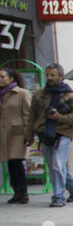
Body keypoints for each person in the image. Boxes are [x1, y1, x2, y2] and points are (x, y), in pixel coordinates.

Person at [28, 63, 73, 207]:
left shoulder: (71, 96)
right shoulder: (39, 95)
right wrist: (29, 134)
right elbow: (32, 116)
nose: (49, 78)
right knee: (54, 166)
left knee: (58, 165)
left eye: (53, 75)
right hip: (44, 134)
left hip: (63, 133)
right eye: (47, 75)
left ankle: (58, 197)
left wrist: (58, 117)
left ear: (61, 76)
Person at [1, 68, 32, 204]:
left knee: (16, 161)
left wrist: (28, 133)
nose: (0, 79)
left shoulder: (21, 93)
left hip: (17, 133)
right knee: (10, 164)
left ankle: (23, 192)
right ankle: (16, 192)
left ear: (11, 78)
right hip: (3, 133)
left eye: (2, 77)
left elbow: (27, 114)